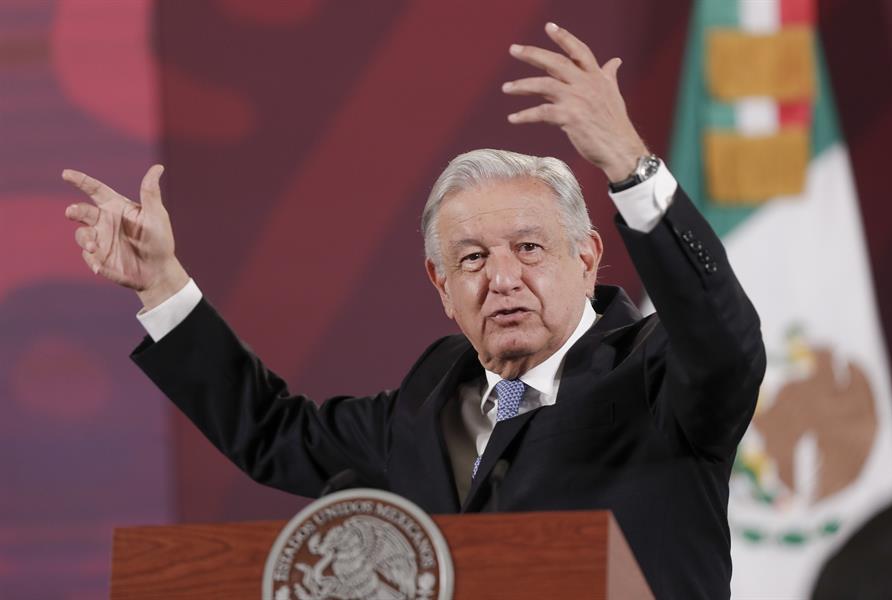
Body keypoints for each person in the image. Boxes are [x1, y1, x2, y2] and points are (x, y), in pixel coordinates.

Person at [62, 23, 764, 600]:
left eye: (528, 247)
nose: (501, 279)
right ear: (439, 285)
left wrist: (629, 164)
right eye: (470, 259)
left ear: (585, 259)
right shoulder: (430, 398)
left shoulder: (658, 376)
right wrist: (160, 285)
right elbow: (275, 432)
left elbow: (724, 340)